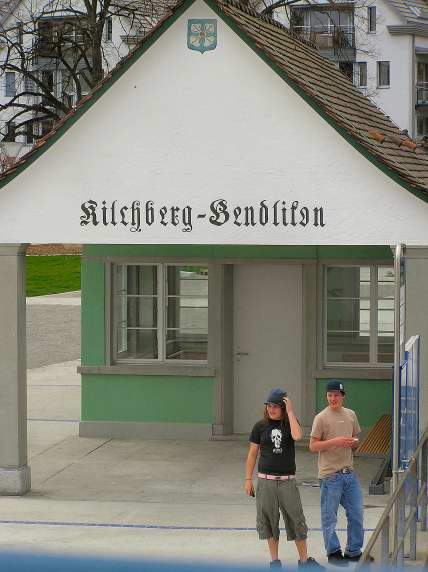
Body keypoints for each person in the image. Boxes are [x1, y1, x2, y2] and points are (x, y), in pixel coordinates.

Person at [245, 388, 324, 570]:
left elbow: (298, 436)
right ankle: (274, 562)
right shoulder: (259, 427)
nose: (271, 409)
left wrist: (290, 412)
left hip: (287, 481)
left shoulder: (290, 424)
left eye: (276, 406)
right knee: (269, 521)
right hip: (266, 482)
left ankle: (304, 562)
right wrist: (248, 478)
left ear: (282, 407)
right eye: (269, 406)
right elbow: (252, 454)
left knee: (296, 520)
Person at [309, 380, 365, 567]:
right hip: (330, 475)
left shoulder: (351, 415)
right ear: (326, 396)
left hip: (349, 474)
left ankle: (353, 551)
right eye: (329, 395)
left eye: (336, 395)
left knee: (357, 514)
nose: (333, 398)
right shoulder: (321, 418)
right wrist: (335, 441)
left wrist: (352, 442)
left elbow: (356, 440)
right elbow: (313, 445)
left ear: (343, 396)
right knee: (329, 517)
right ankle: (333, 553)